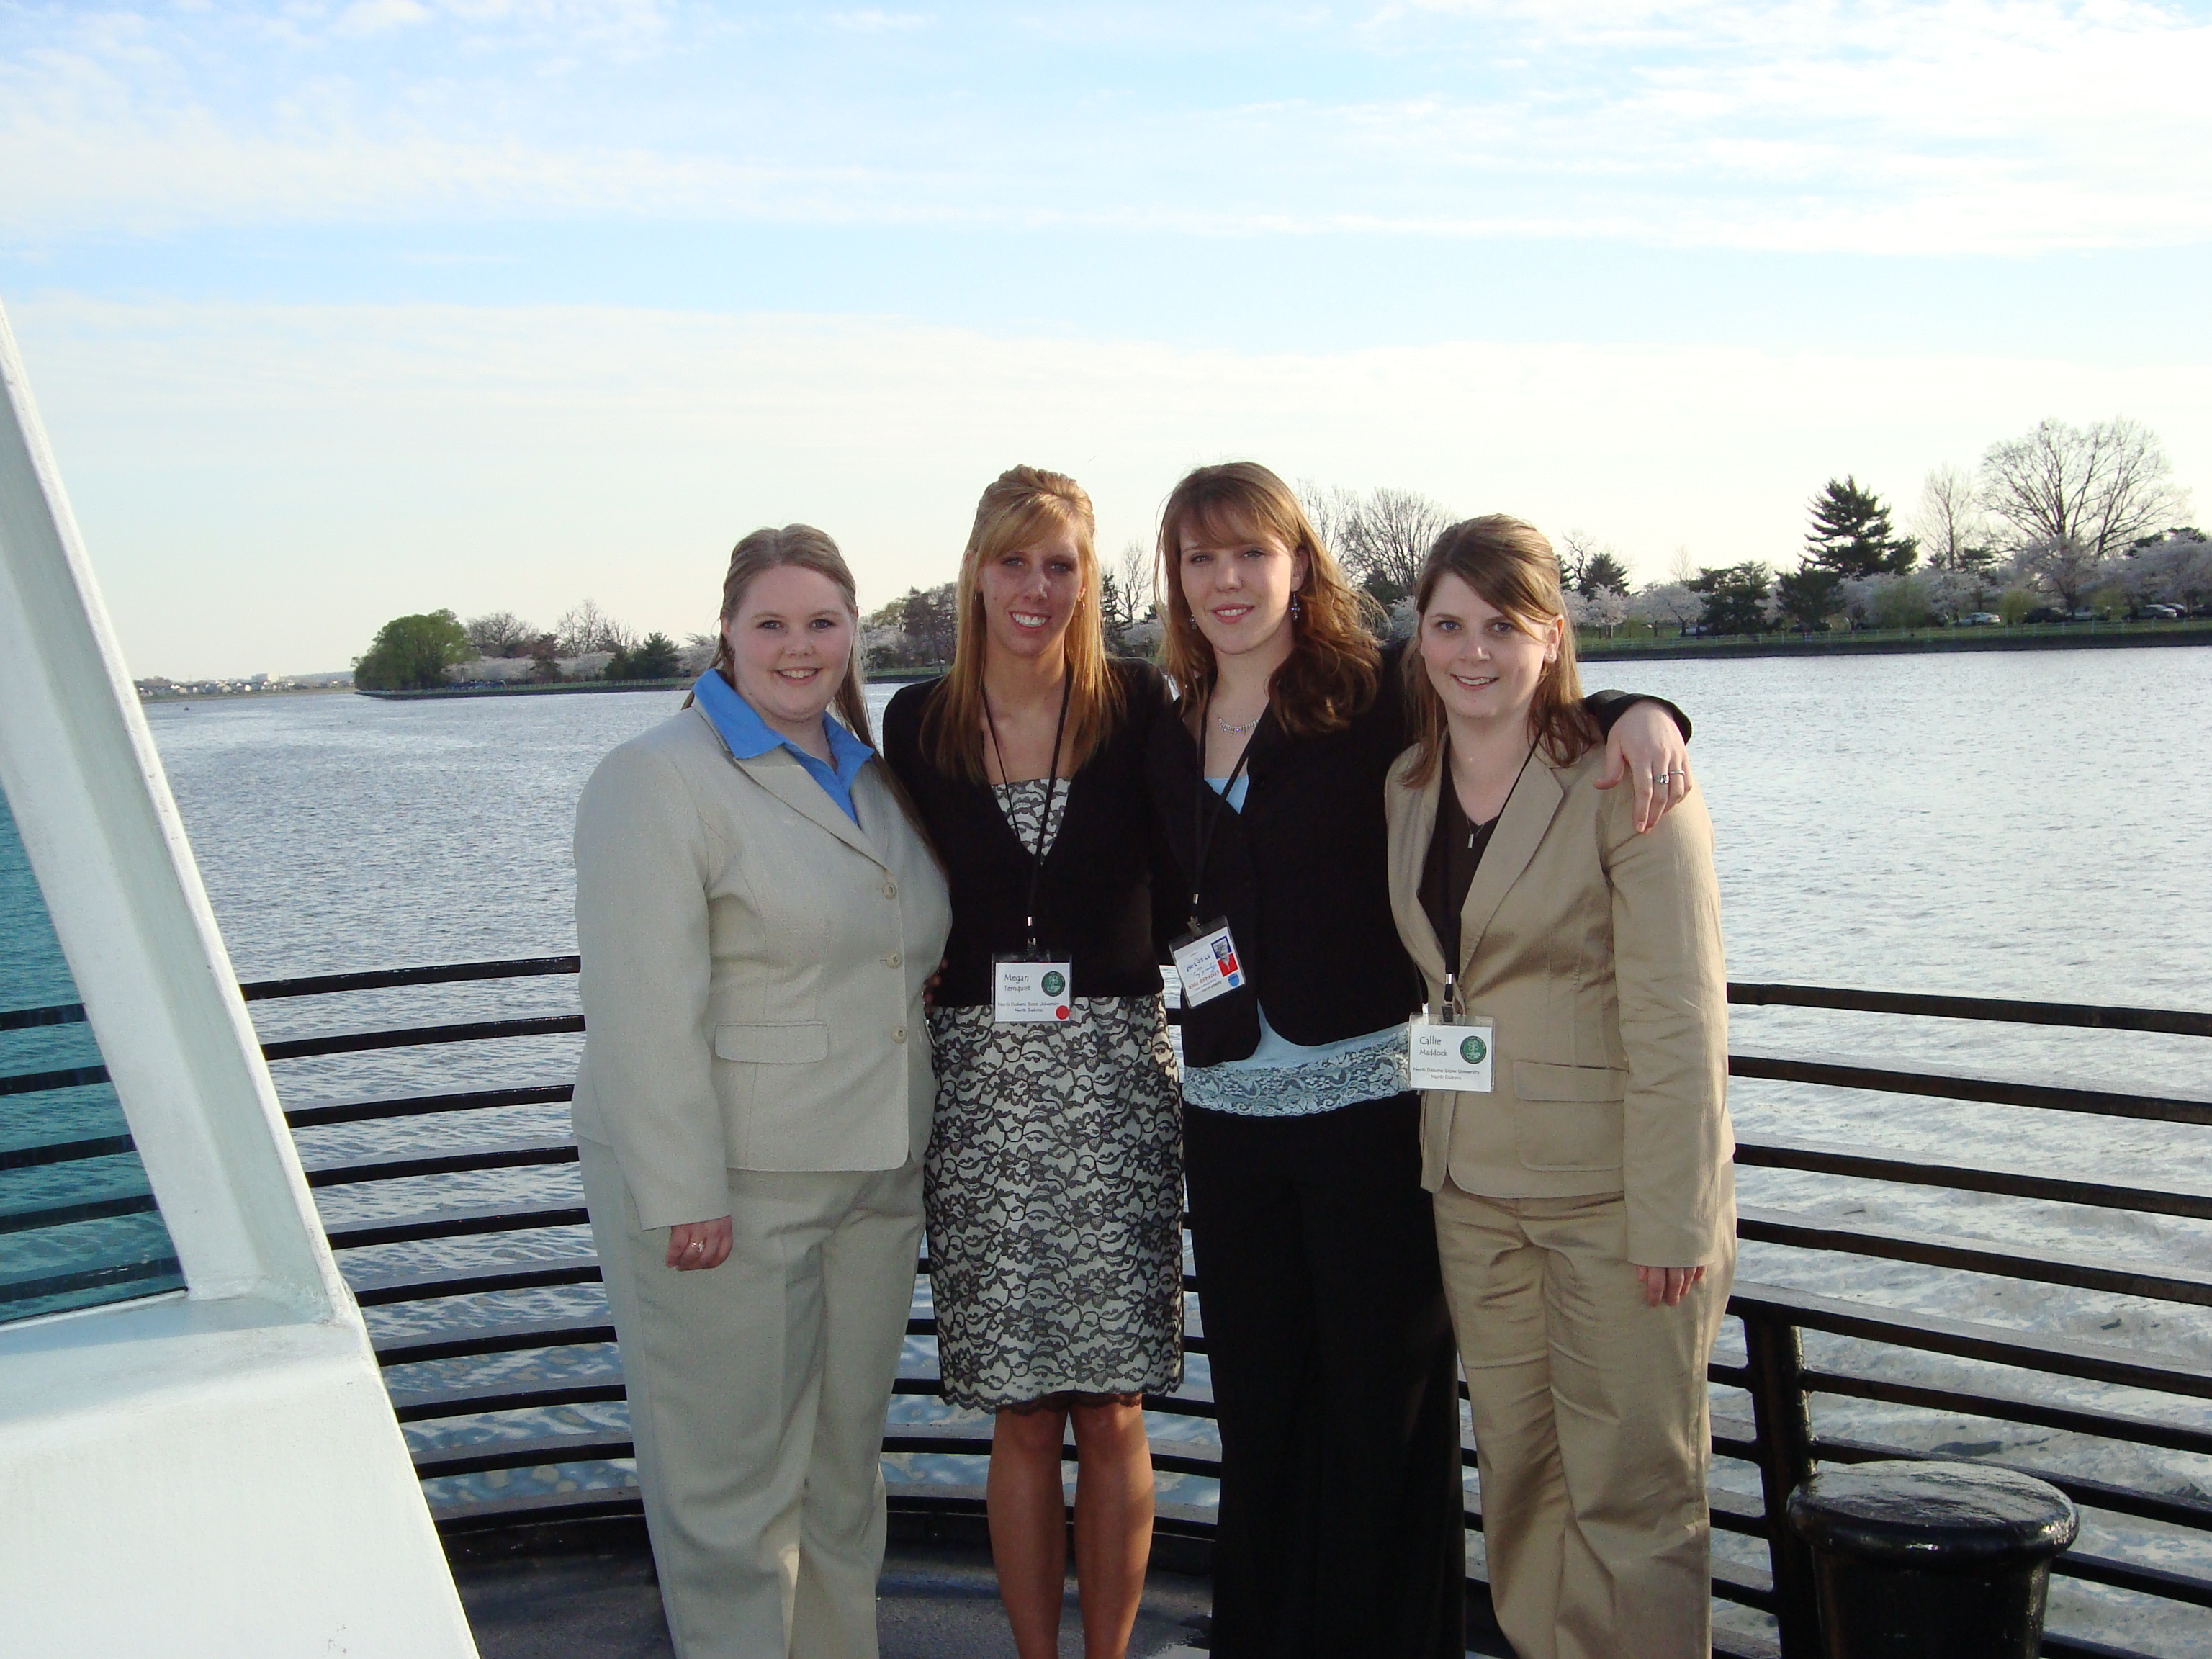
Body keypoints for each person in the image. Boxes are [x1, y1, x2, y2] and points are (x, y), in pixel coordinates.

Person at [1142, 462, 1692, 1659]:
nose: (1228, 581)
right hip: (1227, 1122)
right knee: (1264, 1416)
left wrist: (1645, 711)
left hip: (1375, 1116)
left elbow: (1511, 685)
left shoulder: (1373, 694)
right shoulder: (1159, 724)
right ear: (1176, 580)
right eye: (1200, 558)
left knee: (1383, 1422)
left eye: (1252, 553)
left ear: (1300, 563)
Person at [570, 524, 951, 1659]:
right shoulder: (654, 778)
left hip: (873, 1176)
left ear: (853, 634)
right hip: (729, 1192)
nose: (800, 647)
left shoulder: (867, 771)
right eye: (772, 624)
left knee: (844, 1484)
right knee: (730, 1502)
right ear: (726, 634)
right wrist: (683, 1191)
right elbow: (643, 1012)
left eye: (823, 623)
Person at [1383, 516, 1733, 1659]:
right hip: (1471, 1191)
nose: (1472, 651)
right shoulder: (1409, 781)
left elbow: (1681, 1017)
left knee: (1633, 1493)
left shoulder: (1628, 776)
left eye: (1503, 626)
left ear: (1553, 639)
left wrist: (1678, 1212)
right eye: (1448, 624)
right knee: (1524, 1483)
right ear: (1421, 638)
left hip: (1614, 1203)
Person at [883, 466, 1185, 1659]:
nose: (1036, 587)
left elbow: (1220, 848)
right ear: (975, 569)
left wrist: (1630, 706)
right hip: (979, 1091)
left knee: (1110, 1409)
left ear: (1090, 576)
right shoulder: (917, 720)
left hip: (1113, 1080)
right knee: (1019, 1410)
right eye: (1014, 560)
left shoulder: (1143, 706)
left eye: (1060, 564)